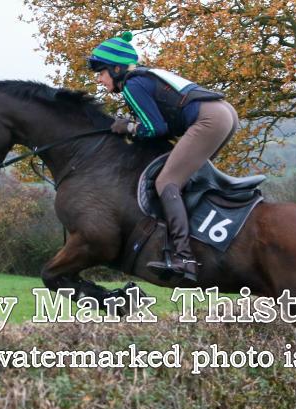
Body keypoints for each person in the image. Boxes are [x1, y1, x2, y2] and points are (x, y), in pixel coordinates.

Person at [88, 31, 240, 282]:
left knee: (166, 182)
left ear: (116, 68)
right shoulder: (143, 76)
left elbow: (155, 128)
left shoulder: (132, 85)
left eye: (101, 72)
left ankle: (184, 258)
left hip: (209, 119)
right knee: (185, 180)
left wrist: (127, 127)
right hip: (223, 114)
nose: (100, 80)